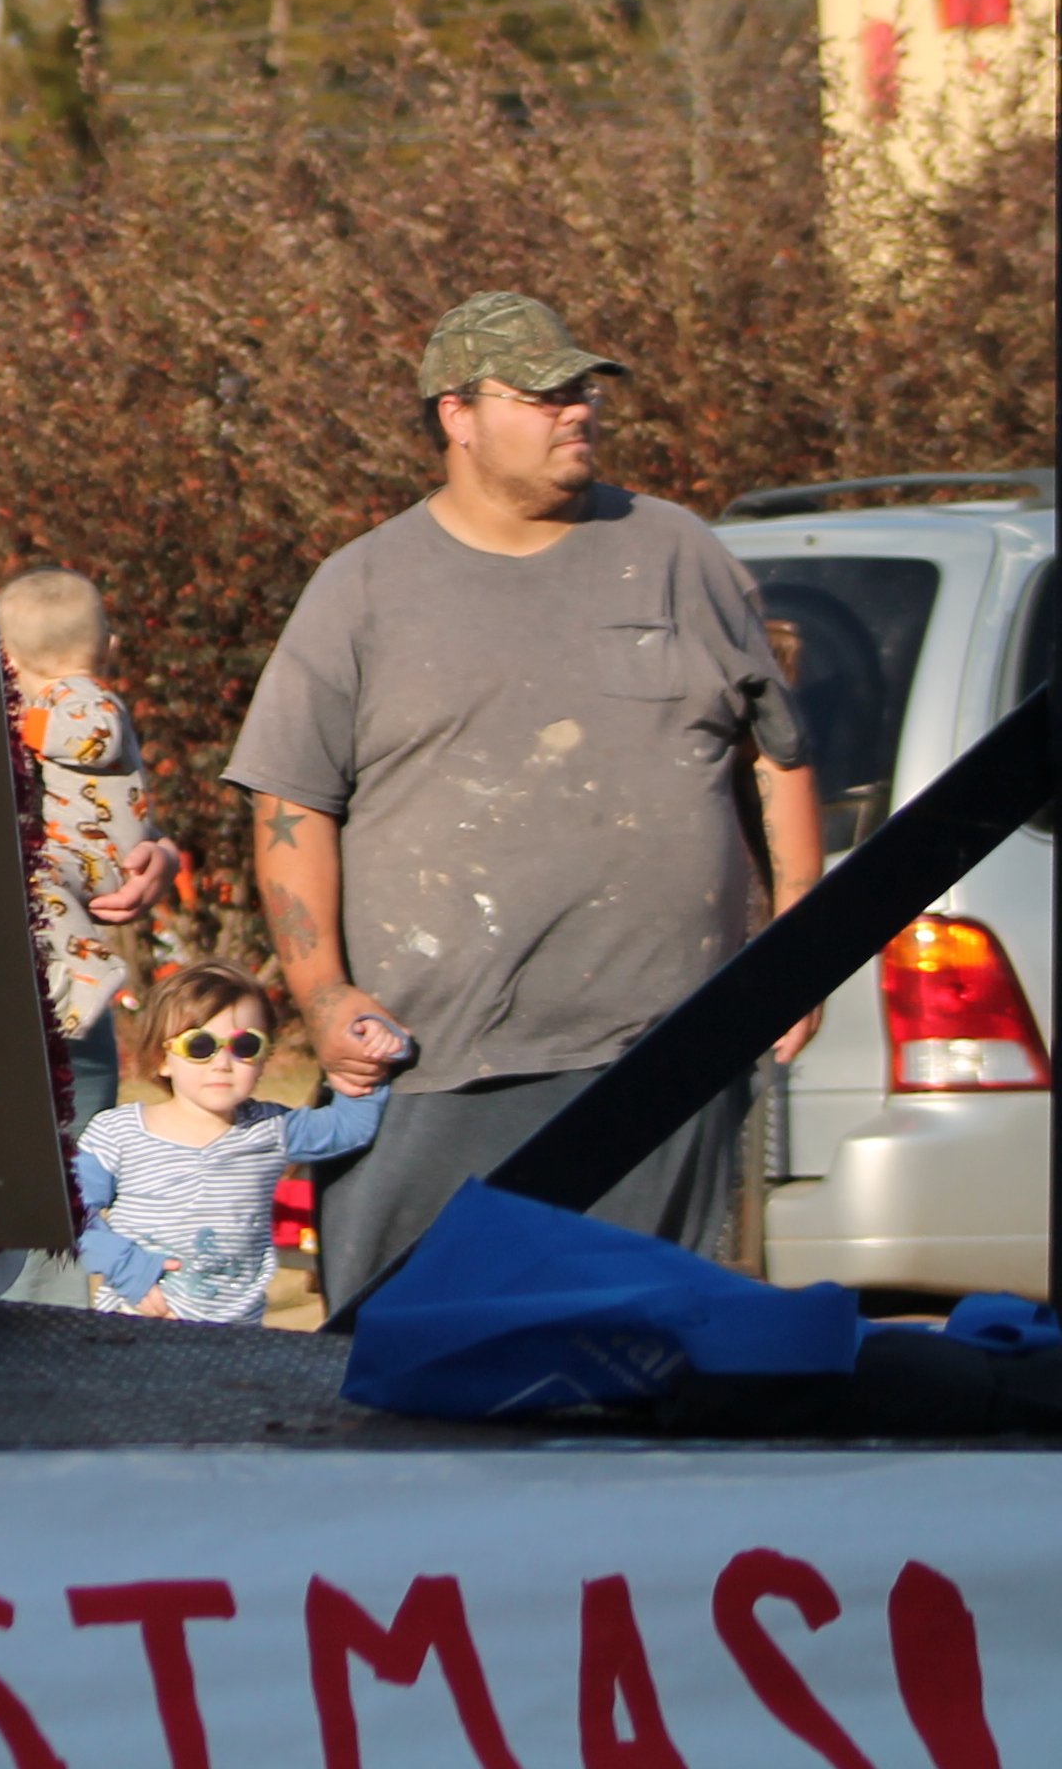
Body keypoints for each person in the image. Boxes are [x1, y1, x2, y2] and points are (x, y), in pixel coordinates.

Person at [227, 292, 821, 1313]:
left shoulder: (677, 551)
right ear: (456, 414)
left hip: (662, 1052)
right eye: (544, 393)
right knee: (415, 1373)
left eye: (582, 389)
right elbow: (290, 801)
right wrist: (322, 992)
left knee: (637, 1369)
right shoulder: (364, 588)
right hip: (436, 1063)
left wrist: (799, 951)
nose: (577, 410)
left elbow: (782, 757)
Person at [75, 961, 386, 1324]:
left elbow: (352, 1126)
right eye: (200, 1045)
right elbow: (69, 1210)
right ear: (162, 1059)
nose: (222, 1062)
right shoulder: (118, 1134)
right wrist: (129, 1270)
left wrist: (370, 1049)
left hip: (238, 1332)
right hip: (137, 1322)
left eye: (245, 1045)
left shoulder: (273, 1128)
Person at [0, 566, 173, 1132]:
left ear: (7, 659)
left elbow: (94, 737)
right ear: (110, 645)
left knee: (44, 895)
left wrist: (19, 717)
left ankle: (83, 977)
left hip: (81, 855)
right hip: (92, 853)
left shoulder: (79, 696)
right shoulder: (74, 695)